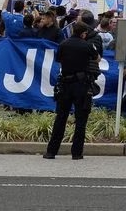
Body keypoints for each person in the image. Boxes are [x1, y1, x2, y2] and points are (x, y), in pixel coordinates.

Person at [43, 22, 99, 159]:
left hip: (65, 84)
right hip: (81, 85)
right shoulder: (87, 45)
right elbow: (97, 58)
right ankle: (76, 153)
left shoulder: (63, 44)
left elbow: (59, 60)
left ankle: (51, 151)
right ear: (83, 33)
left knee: (61, 118)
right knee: (81, 120)